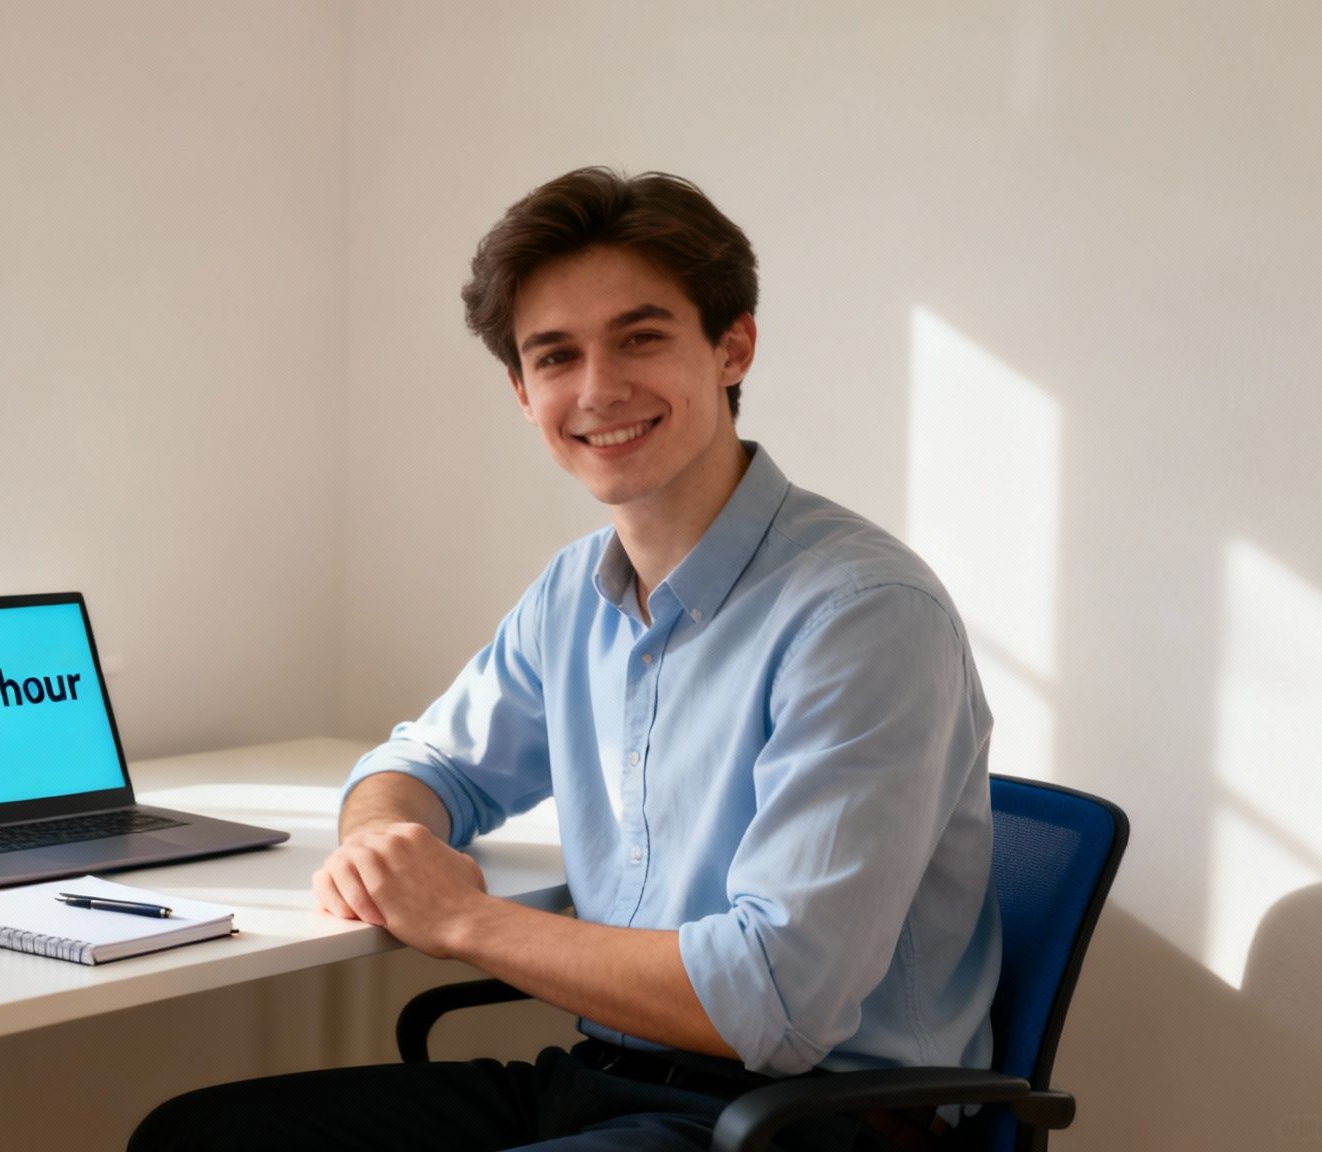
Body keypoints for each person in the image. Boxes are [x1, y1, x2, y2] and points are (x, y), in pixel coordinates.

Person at [130, 168, 999, 1152]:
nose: (596, 391)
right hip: (610, 1079)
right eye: (554, 356)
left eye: (639, 338)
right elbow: (425, 765)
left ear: (731, 346)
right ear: (521, 390)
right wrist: (386, 843)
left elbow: (773, 1001)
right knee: (193, 1139)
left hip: (815, 1123)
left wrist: (461, 923)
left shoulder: (861, 613)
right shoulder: (574, 590)